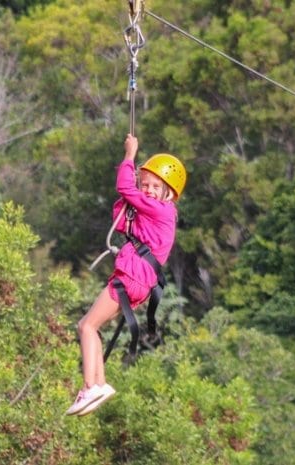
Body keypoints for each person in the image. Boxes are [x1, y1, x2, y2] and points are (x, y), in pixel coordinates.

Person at [65, 133, 187, 416]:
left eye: (156, 186)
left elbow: (124, 188)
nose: (148, 190)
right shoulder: (153, 213)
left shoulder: (163, 211)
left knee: (86, 327)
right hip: (135, 281)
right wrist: (132, 194)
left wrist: (129, 156)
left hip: (132, 278)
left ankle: (92, 385)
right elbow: (122, 218)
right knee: (88, 326)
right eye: (145, 184)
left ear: (169, 192)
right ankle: (97, 384)